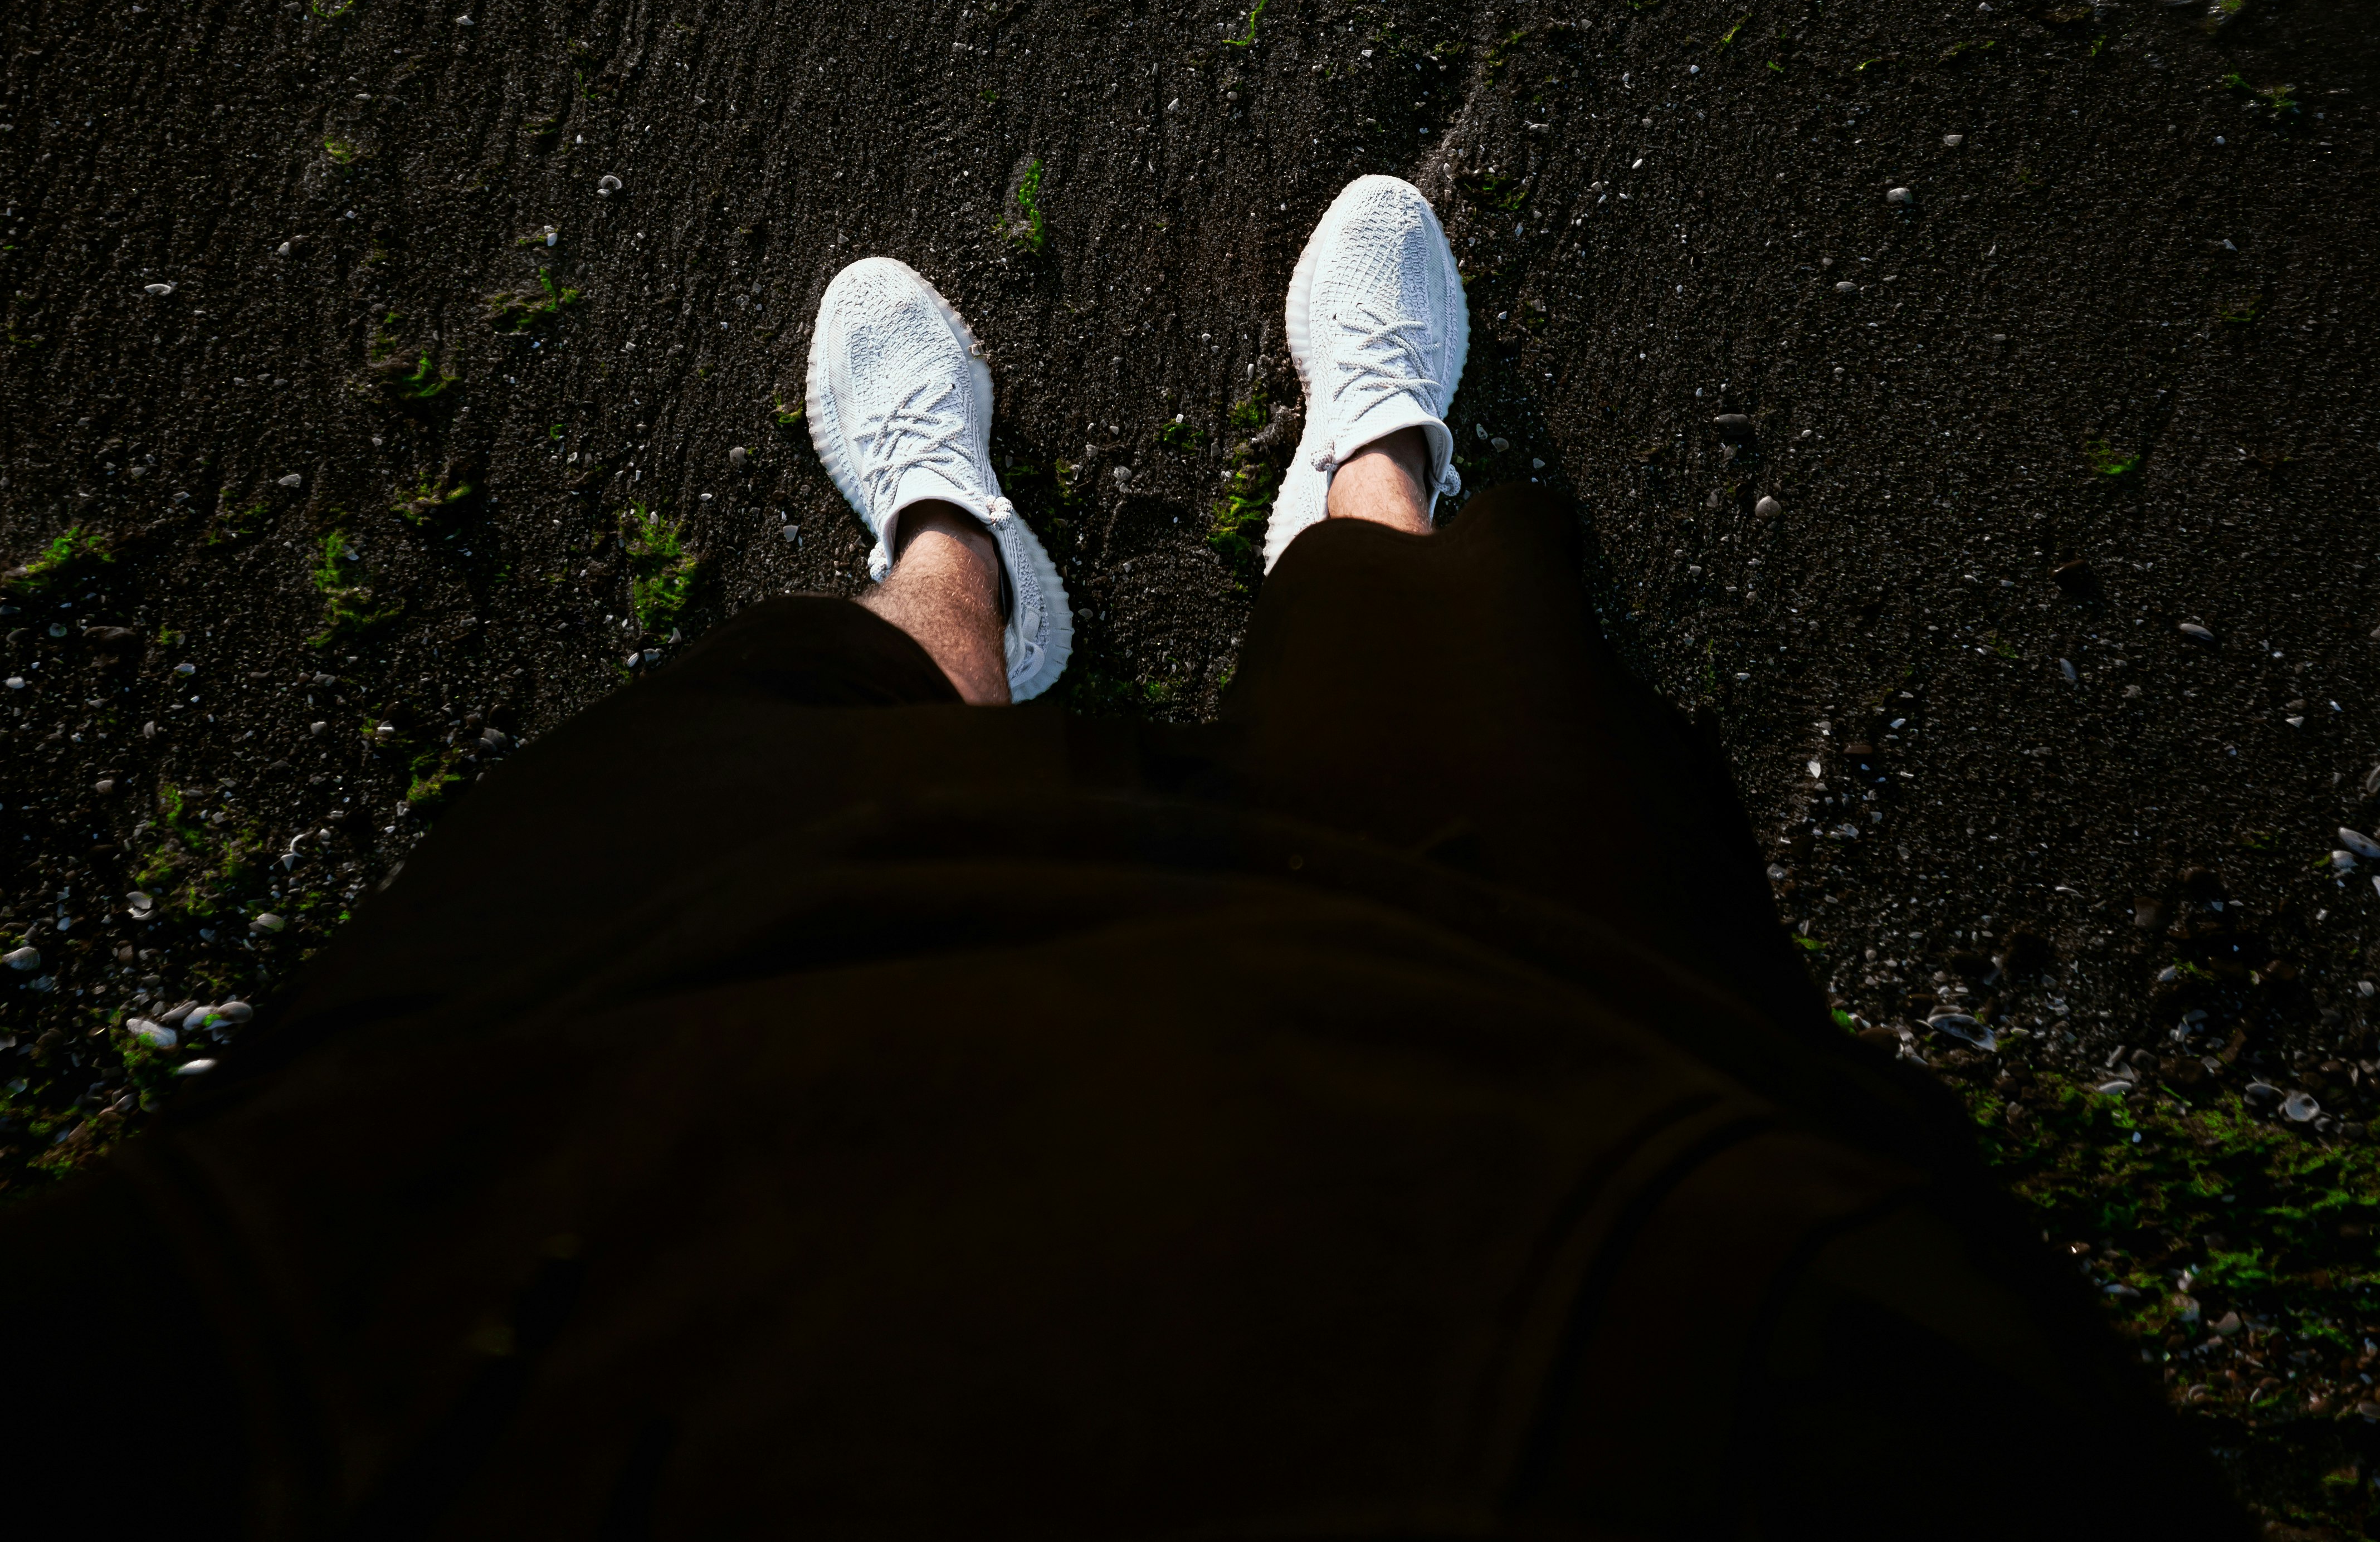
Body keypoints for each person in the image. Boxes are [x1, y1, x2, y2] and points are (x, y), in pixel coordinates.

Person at [3, 177, 2243, 1537]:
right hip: (1522, 1318)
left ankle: (957, 587)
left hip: (587, 1300)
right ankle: (1365, 499)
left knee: (719, 819)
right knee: (1516, 832)